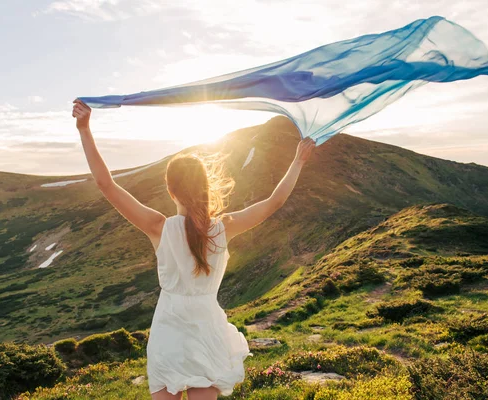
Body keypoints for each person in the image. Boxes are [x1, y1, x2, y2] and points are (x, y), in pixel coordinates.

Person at [72, 99, 315, 399]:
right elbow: (273, 202)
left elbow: (105, 184)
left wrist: (84, 129)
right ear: (205, 187)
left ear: (170, 189)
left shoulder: (158, 227)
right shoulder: (222, 227)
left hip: (168, 330)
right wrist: (298, 161)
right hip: (206, 328)